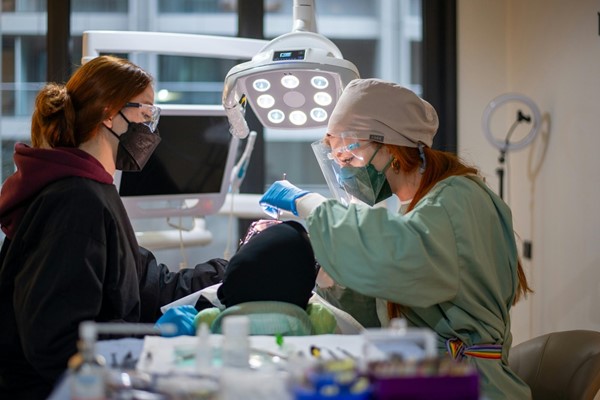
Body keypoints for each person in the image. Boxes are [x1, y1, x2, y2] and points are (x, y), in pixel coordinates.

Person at [259, 78, 533, 399]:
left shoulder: (458, 197)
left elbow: (398, 260)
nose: (345, 172)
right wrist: (329, 277)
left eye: (348, 158)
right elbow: (390, 307)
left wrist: (309, 204)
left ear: (388, 147)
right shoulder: (418, 210)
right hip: (433, 377)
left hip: (473, 387)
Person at [0, 55, 227, 399]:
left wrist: (229, 273)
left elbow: (147, 283)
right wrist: (151, 338)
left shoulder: (96, 190)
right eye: (146, 112)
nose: (151, 127)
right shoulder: (74, 200)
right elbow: (58, 340)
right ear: (109, 112)